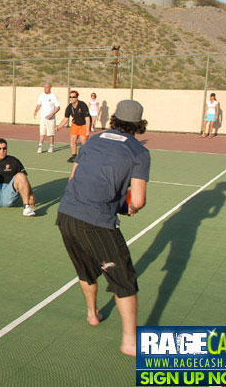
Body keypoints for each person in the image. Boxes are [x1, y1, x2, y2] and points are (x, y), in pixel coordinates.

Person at [56, 99, 150, 357]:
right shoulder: (139, 152)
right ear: (139, 125)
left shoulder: (94, 139)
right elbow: (138, 200)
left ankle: (92, 314)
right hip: (97, 224)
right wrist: (128, 206)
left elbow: (73, 177)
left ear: (114, 119)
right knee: (124, 282)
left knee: (85, 270)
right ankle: (130, 341)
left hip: (66, 215)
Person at [57, 91, 91, 163]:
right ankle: (74, 156)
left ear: (77, 97)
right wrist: (59, 127)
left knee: (83, 139)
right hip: (75, 124)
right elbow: (66, 118)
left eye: (73, 97)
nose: (71, 98)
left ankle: (87, 155)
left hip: (84, 124)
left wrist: (87, 130)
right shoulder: (69, 107)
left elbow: (87, 118)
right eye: (70, 97)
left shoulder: (82, 105)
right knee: (73, 139)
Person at [34, 83, 61, 154]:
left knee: (50, 133)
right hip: (43, 118)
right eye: (45, 87)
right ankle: (40, 146)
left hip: (51, 118)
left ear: (50, 88)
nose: (45, 88)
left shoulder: (54, 97)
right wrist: (36, 110)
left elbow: (58, 107)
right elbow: (39, 104)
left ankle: (51, 146)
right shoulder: (41, 95)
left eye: (47, 87)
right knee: (42, 132)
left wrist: (51, 114)